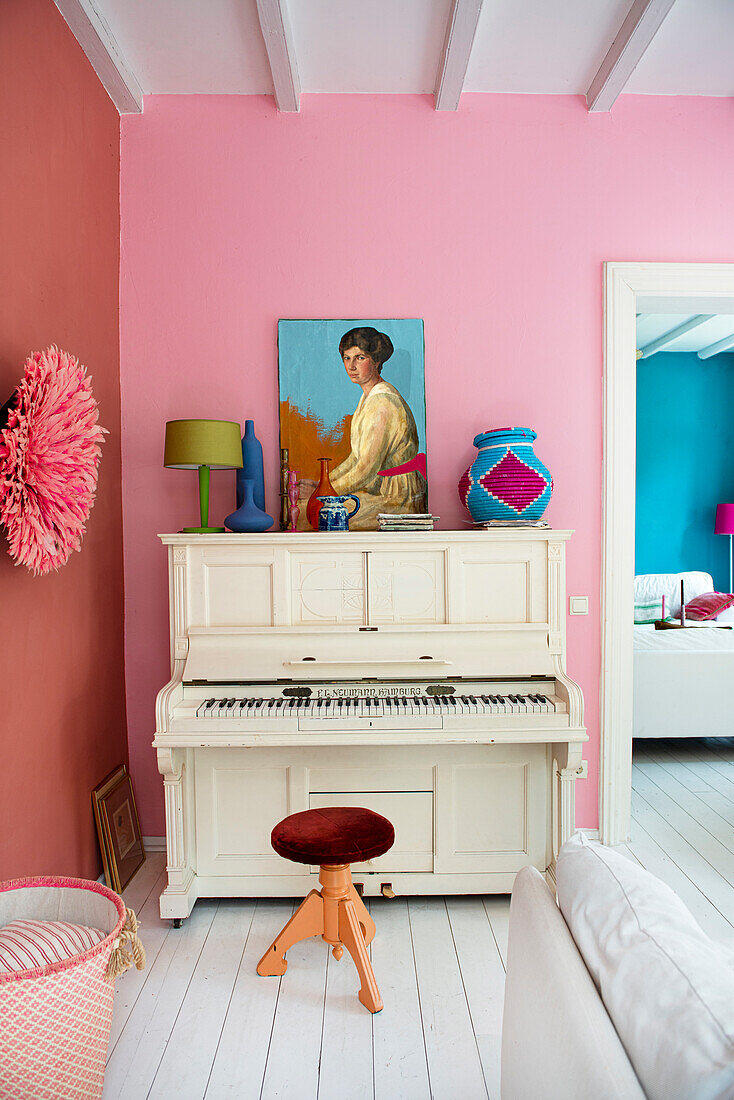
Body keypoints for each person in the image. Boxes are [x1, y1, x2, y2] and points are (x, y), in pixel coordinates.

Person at [303, 327, 426, 530]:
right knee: (309, 509)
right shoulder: (367, 398)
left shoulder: (383, 403)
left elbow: (365, 470)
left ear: (376, 361)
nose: (351, 366)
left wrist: (323, 494)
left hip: (396, 498)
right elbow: (355, 458)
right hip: (379, 489)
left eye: (360, 358)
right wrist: (322, 484)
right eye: (346, 358)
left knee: (313, 517)